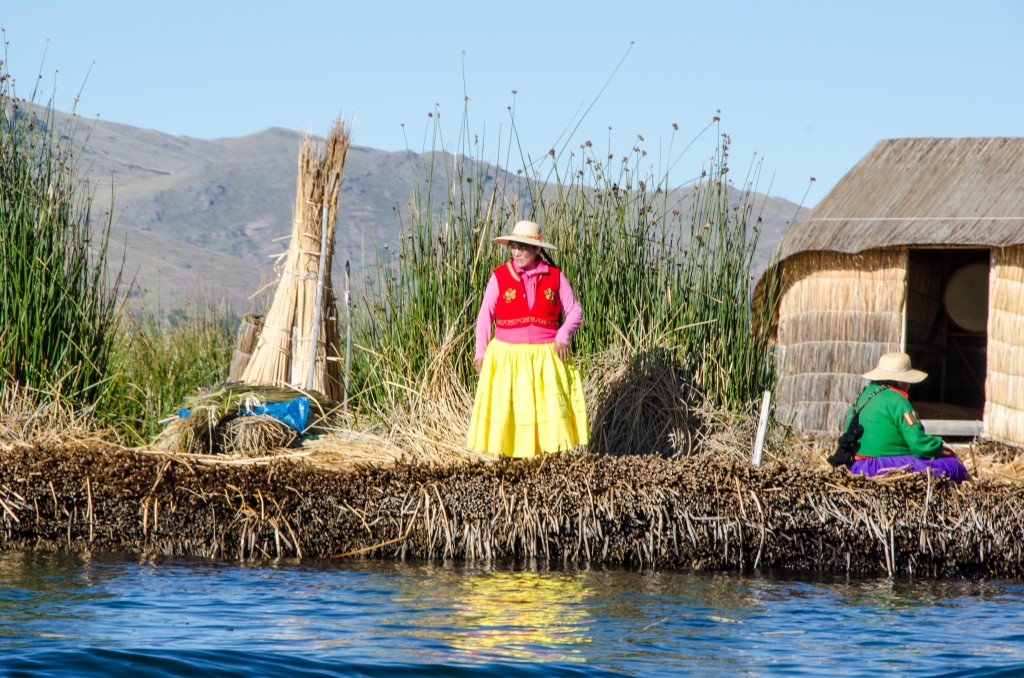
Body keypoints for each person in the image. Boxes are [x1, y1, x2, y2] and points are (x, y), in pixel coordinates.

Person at [466, 220, 589, 458]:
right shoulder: (500, 277)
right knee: (510, 413)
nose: (517, 252)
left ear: (537, 250)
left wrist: (563, 335)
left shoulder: (555, 276)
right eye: (513, 246)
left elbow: (574, 311)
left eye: (523, 247)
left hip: (545, 359)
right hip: (507, 360)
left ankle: (546, 465)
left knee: (546, 416)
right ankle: (511, 465)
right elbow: (485, 316)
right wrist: (480, 352)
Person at [845, 352, 969, 483]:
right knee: (953, 467)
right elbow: (920, 446)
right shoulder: (897, 399)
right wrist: (945, 450)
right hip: (881, 467)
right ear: (900, 381)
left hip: (855, 467)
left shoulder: (862, 396)